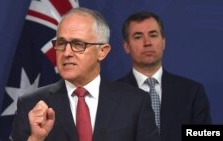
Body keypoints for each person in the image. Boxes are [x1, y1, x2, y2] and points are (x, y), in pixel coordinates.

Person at [11, 8, 159, 141]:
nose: (67, 53)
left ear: (102, 51)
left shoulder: (135, 102)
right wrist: (36, 139)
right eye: (61, 43)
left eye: (78, 45)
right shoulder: (31, 104)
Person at [118, 11, 212, 141]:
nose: (147, 43)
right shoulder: (113, 94)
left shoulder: (192, 92)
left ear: (163, 42)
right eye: (138, 37)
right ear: (126, 46)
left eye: (153, 35)